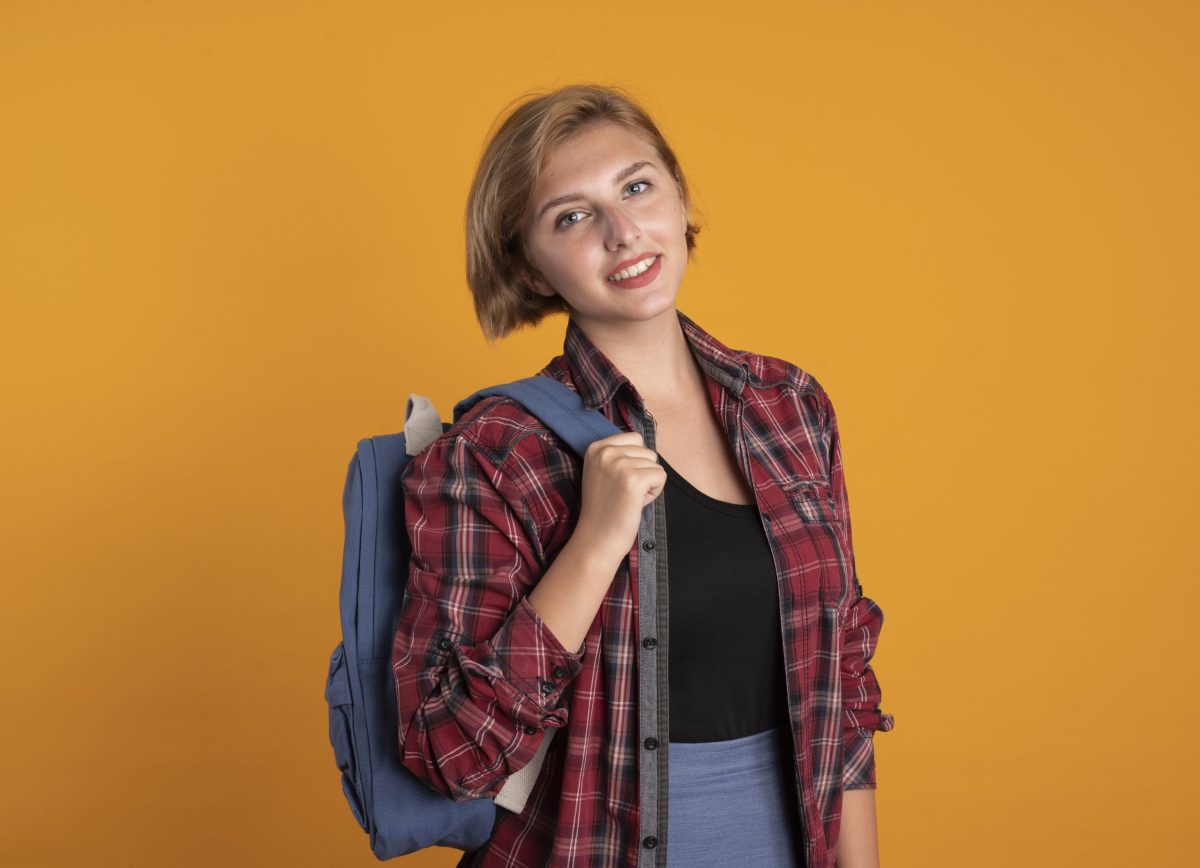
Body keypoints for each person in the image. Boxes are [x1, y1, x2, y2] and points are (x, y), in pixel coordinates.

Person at [389, 83, 894, 868]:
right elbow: (453, 753)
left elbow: (844, 684)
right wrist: (594, 542)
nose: (622, 233)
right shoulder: (493, 453)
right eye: (572, 216)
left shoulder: (788, 407)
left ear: (679, 195)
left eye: (636, 186)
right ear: (528, 268)